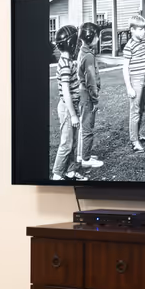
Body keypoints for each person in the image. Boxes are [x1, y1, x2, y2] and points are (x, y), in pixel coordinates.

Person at [50, 24, 84, 180]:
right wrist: (73, 115)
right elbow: (65, 92)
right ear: (71, 44)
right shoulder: (64, 64)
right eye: (76, 42)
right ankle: (57, 174)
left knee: (73, 142)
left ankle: (70, 171)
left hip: (72, 107)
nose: (78, 45)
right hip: (67, 108)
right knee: (66, 143)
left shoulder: (67, 61)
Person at [118, 13, 145, 151]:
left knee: (141, 109)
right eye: (139, 29)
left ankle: (138, 133)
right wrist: (129, 87)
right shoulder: (129, 46)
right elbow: (125, 68)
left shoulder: (144, 43)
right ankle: (134, 141)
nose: (143, 32)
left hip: (144, 79)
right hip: (135, 81)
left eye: (144, 29)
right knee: (135, 111)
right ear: (132, 30)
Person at [76, 22, 104, 170]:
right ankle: (85, 159)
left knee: (83, 126)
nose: (98, 39)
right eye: (97, 36)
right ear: (90, 37)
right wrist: (95, 99)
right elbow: (91, 81)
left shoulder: (83, 52)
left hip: (82, 93)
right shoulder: (88, 56)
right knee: (88, 127)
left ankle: (82, 154)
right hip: (87, 95)